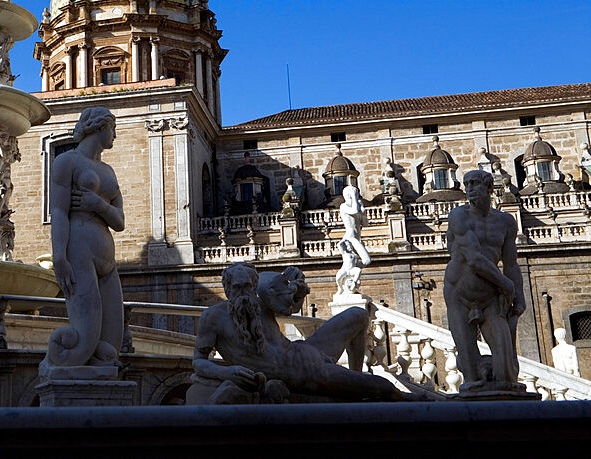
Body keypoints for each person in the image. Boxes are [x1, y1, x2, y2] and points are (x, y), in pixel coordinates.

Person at [189, 263, 406, 403]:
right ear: (226, 289)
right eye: (237, 288)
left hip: (305, 353)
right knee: (383, 387)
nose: (243, 294)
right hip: (305, 373)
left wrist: (296, 286)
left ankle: (354, 377)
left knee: (358, 315)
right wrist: (227, 372)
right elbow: (198, 361)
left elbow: (290, 306)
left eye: (247, 287)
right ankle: (414, 400)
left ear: (253, 286)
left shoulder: (259, 304)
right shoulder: (213, 318)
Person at [45, 107, 125, 368]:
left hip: (106, 255)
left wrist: (97, 204)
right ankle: (60, 368)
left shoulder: (109, 171)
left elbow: (120, 222)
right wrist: (59, 256)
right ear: (99, 127)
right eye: (112, 128)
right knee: (84, 339)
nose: (114, 135)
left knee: (112, 343)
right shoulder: (66, 162)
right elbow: (58, 211)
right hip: (78, 249)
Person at [443, 169, 525, 391]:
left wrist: (519, 295)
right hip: (459, 294)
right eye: (467, 185)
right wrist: (506, 284)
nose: (470, 189)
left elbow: (511, 263)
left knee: (505, 367)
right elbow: (474, 258)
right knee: (470, 369)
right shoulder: (458, 216)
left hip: (490, 296)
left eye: (475, 184)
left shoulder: (506, 222)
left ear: (489, 188)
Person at [336, 185, 371, 295]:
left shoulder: (357, 205)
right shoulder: (343, 206)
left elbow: (365, 223)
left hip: (357, 237)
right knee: (367, 260)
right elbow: (354, 210)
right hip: (350, 237)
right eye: (352, 194)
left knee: (366, 261)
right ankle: (349, 276)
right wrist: (355, 198)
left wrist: (363, 213)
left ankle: (351, 271)